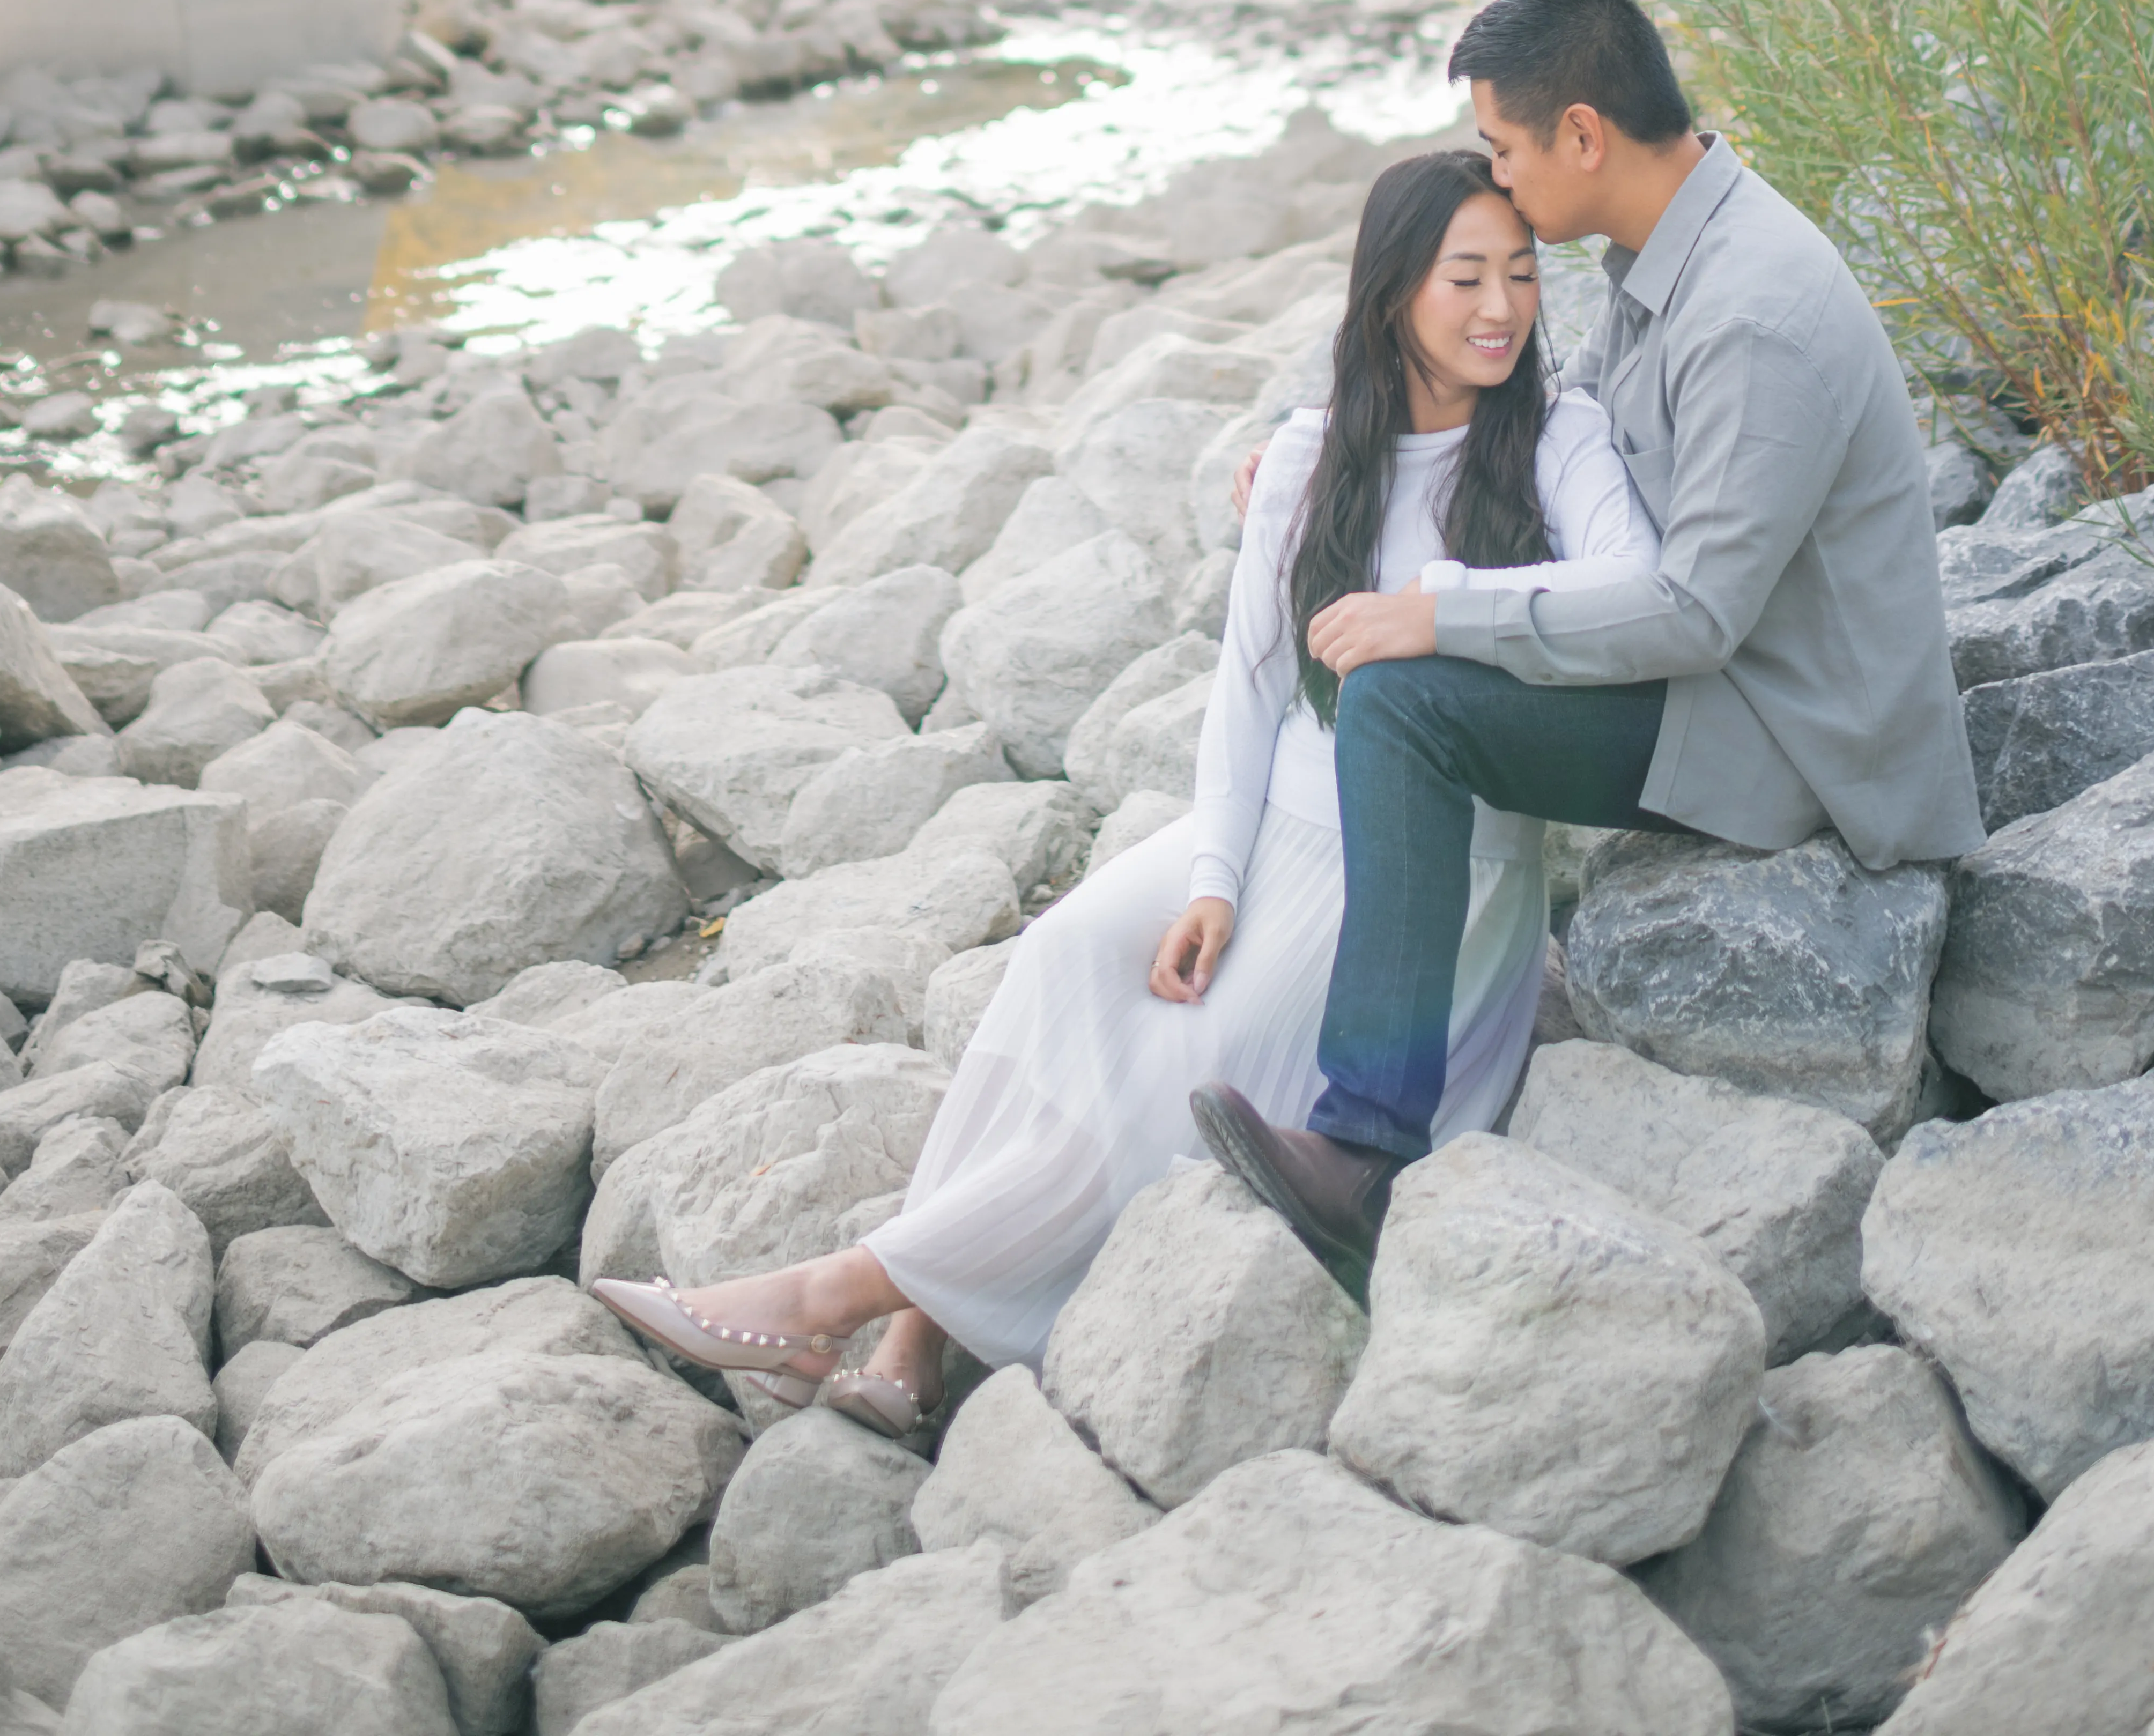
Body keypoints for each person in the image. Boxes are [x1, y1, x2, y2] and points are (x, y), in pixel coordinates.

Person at [591, 144, 1662, 1423]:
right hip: (1276, 825)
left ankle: (832, 1295)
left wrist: (1435, 605)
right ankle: (917, 1338)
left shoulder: (1555, 437)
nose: (1501, 309)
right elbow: (1248, 691)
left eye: (1521, 275)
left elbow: (1634, 584)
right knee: (1068, 959)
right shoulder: (1312, 457)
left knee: (1178, 1067)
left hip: (1427, 871)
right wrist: (1213, 877)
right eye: (1465, 278)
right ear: (1391, 295)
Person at [1193, 0, 1983, 1294]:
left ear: (1580, 134)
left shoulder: (1753, 311)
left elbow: (1695, 611)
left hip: (1795, 737)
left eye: (1501, 149)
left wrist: (1440, 609)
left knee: (1405, 699)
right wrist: (1322, 453)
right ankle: (1368, 1091)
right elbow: (1563, 437)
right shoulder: (1672, 250)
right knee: (1412, 677)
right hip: (1728, 681)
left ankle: (1365, 1151)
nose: (1499, 183)